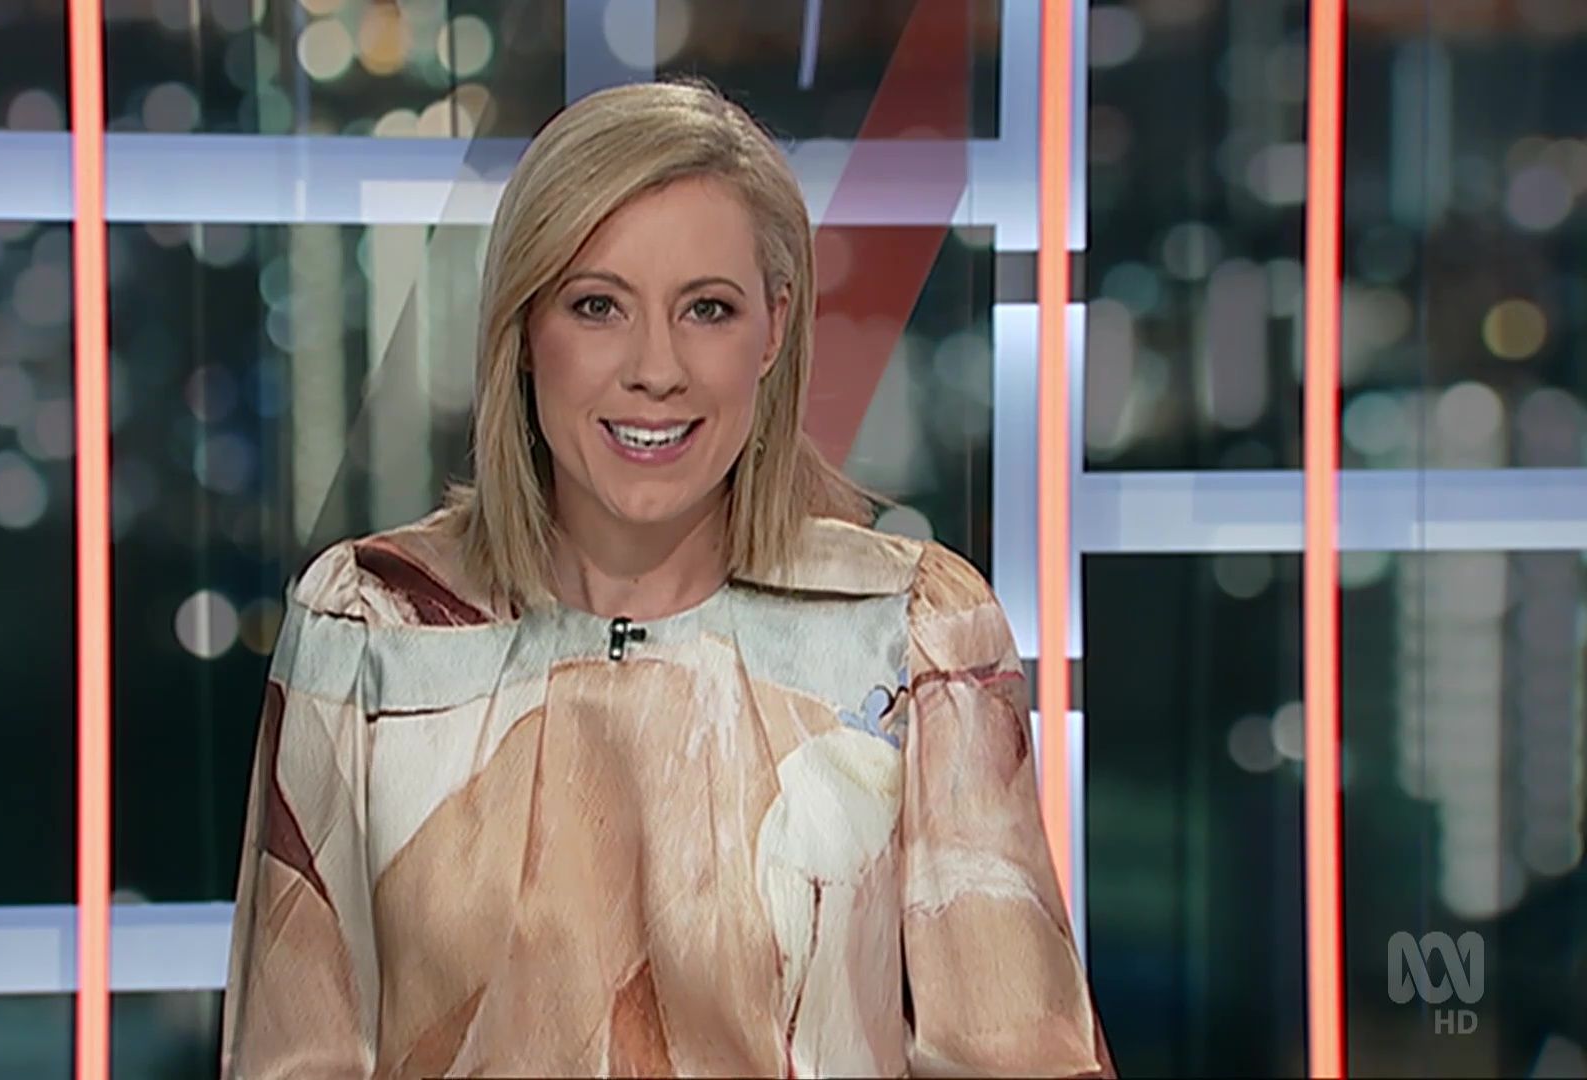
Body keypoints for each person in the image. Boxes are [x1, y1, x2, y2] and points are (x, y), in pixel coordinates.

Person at [222, 78, 1115, 1079]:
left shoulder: (914, 635)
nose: (657, 368)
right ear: (525, 329)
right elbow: (292, 1056)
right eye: (598, 306)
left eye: (708, 310)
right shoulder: (368, 628)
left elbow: (1020, 1057)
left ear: (772, 331)